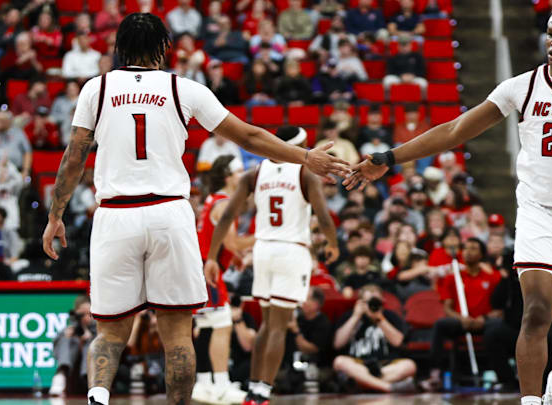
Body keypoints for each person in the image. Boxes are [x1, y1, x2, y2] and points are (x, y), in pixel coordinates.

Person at [344, 6, 552, 405]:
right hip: (539, 212)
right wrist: (389, 157)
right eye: (551, 34)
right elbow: (455, 129)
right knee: (537, 309)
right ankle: (530, 400)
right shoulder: (520, 87)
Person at [41, 13, 348, 405]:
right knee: (178, 337)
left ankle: (98, 397)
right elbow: (250, 135)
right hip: (169, 213)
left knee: (110, 334)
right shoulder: (182, 88)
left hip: (115, 214)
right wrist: (304, 157)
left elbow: (74, 156)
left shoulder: (94, 89)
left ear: (119, 48)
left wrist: (55, 215)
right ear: (164, 48)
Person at [204, 126, 341, 405]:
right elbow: (324, 218)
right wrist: (333, 244)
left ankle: (253, 387)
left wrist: (211, 256)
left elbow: (228, 214)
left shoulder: (255, 174)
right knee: (279, 326)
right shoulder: (304, 173)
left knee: (268, 325)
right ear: (300, 144)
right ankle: (263, 391)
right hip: (291, 251)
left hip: (263, 250)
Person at [192, 156, 250, 405]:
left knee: (205, 329)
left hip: (201, 268)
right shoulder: (225, 203)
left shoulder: (213, 199)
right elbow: (233, 243)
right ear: (228, 177)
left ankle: (204, 385)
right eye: (240, 172)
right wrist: (267, 235)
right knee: (222, 326)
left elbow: (225, 244)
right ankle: (222, 384)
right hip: (209, 272)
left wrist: (233, 255)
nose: (244, 176)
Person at [420, 238, 501, 391]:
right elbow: (447, 308)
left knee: (499, 327)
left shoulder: (493, 277)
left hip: (485, 322)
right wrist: (461, 318)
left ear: (482, 254)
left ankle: (502, 375)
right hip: (461, 321)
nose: (467, 252)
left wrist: (484, 319)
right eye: (465, 248)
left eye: (473, 248)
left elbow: (499, 309)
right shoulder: (452, 278)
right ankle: (435, 375)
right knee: (440, 324)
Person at [332, 284, 416, 393]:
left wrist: (380, 319)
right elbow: (338, 344)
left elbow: (398, 342)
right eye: (368, 302)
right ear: (360, 302)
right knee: (339, 362)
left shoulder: (390, 316)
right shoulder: (349, 316)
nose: (373, 305)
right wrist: (355, 317)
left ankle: (360, 384)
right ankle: (388, 387)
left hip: (385, 366)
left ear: (382, 302)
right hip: (358, 364)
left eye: (376, 302)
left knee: (409, 365)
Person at [49, 295, 97, 396]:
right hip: (72, 361)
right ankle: (61, 374)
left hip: (91, 368)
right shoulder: (72, 327)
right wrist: (71, 335)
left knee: (91, 343)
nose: (85, 317)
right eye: (82, 314)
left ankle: (88, 379)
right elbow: (55, 344)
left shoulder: (98, 325)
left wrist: (89, 336)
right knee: (65, 338)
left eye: (88, 314)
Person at [0, 110, 33, 180]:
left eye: (2, 120)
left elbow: (27, 152)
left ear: (8, 121)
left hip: (15, 171)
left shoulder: (18, 133)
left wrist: (26, 171)